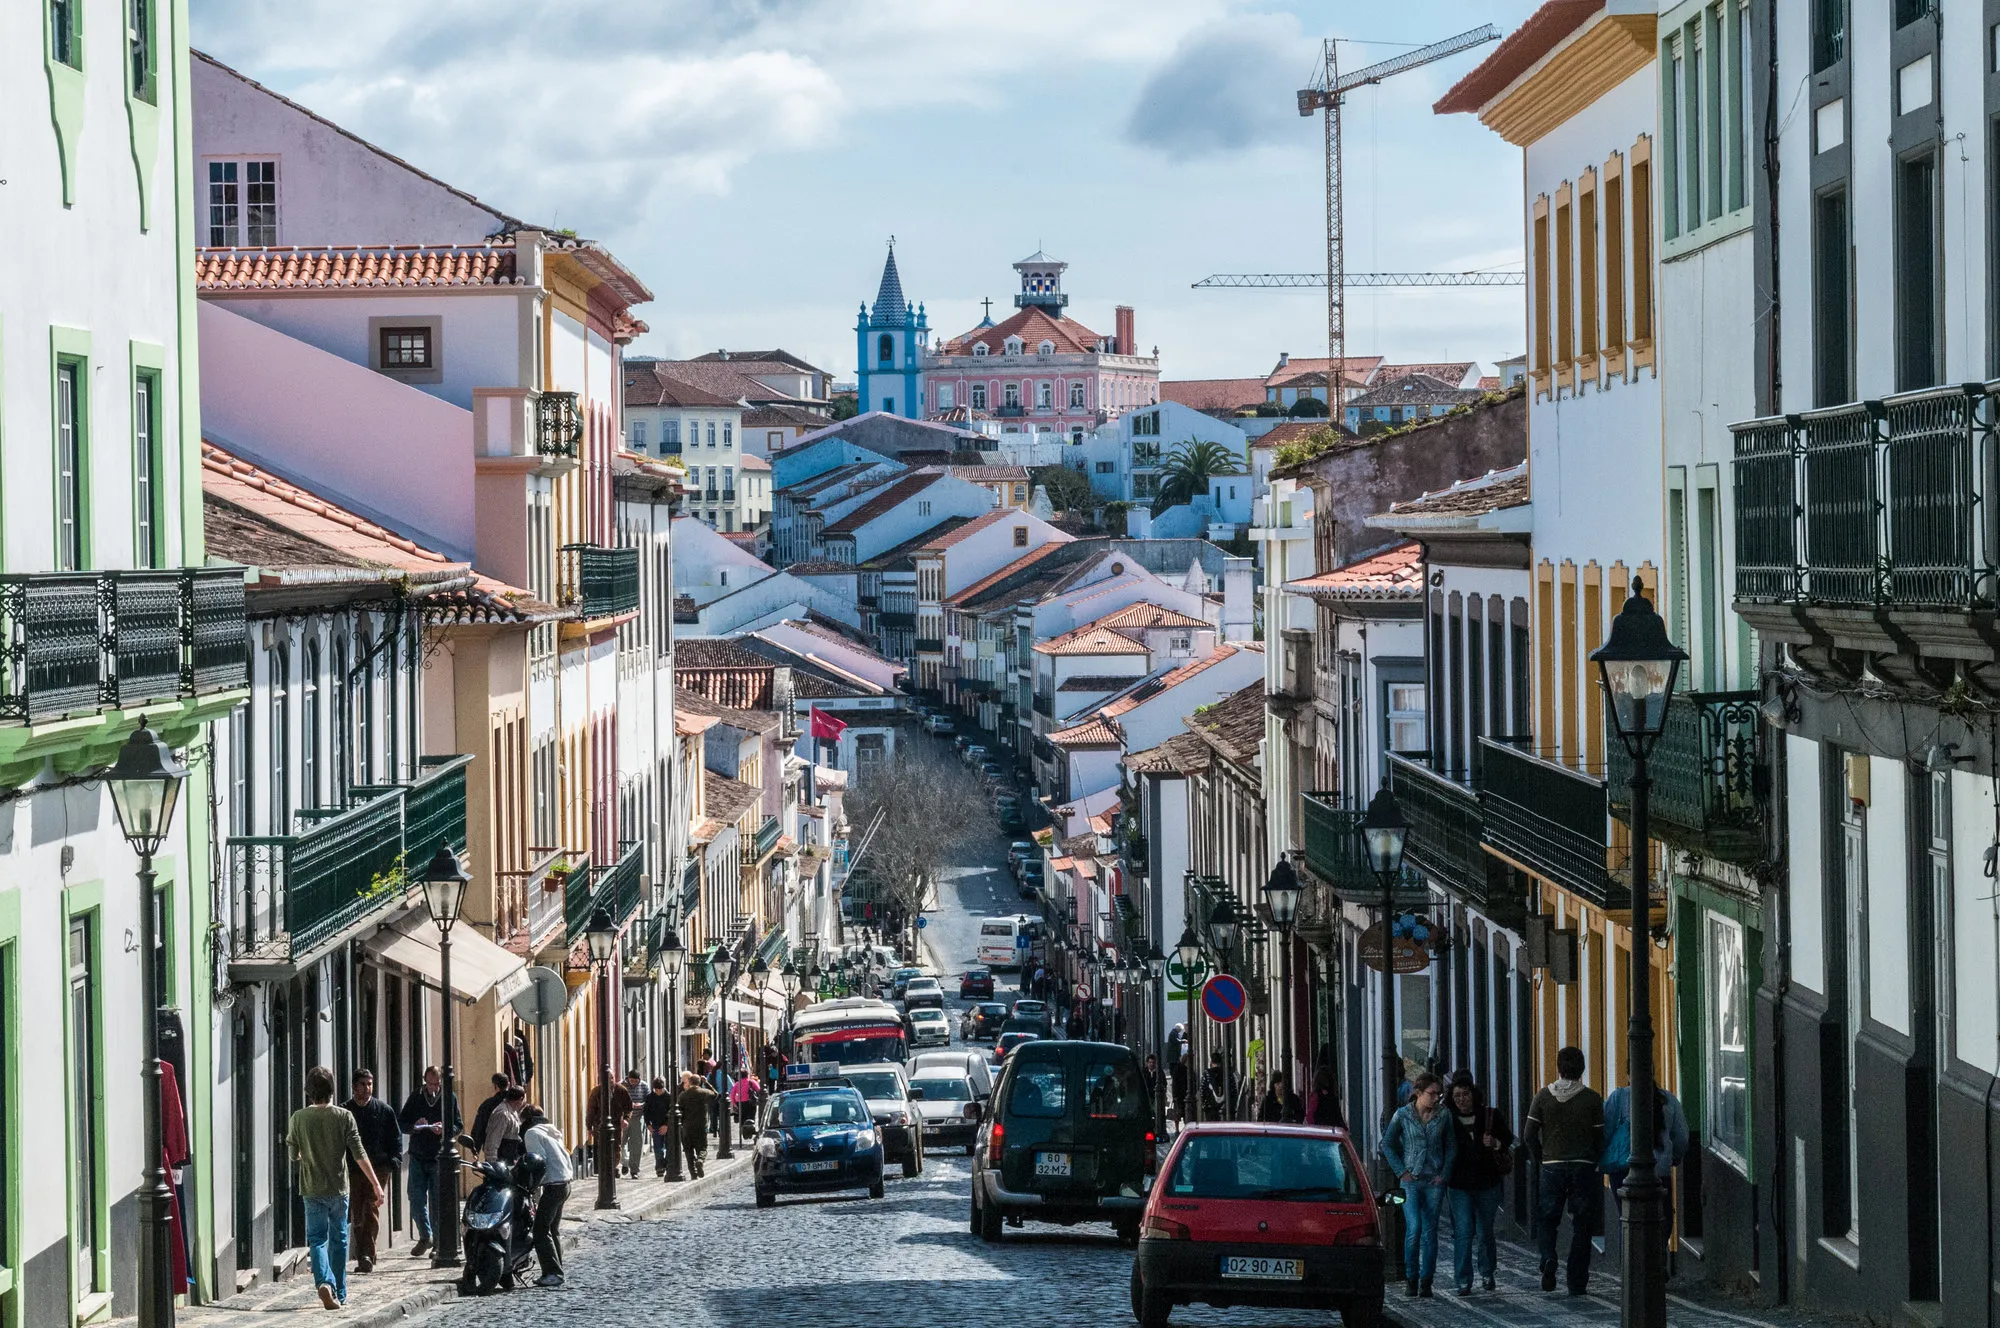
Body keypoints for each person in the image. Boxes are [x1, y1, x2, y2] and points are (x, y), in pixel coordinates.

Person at [287, 1066, 384, 1310]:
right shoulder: (344, 1116)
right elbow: (358, 1152)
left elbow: (293, 1154)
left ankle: (323, 1282)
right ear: (332, 1090)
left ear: (309, 1092)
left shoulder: (298, 1118)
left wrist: (306, 1150)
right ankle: (340, 1292)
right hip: (339, 1189)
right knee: (339, 1239)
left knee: (317, 1239)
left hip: (311, 1189)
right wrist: (375, 1184)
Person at [1524, 1046, 1607, 1296]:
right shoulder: (1592, 1098)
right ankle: (1576, 1280)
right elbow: (1600, 1136)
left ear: (1558, 1067)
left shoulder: (1543, 1097)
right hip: (1582, 1167)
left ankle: (1549, 1257)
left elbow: (1528, 1135)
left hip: (1552, 1167)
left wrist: (1542, 1158)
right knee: (1582, 1224)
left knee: (1548, 1219)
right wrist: (1592, 1159)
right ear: (1582, 1069)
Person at [1381, 1074, 1456, 1298]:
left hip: (1433, 1181)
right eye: (1432, 1094)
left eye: (1439, 1094)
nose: (1436, 1098)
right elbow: (1388, 1144)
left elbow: (1452, 1146)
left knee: (1430, 1232)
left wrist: (1444, 1174)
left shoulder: (1443, 1115)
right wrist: (1401, 1171)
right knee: (1413, 1229)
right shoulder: (1402, 1115)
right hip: (1411, 1181)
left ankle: (1427, 1280)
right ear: (1418, 1092)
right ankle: (1411, 1277)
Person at [1444, 1069, 1514, 1296]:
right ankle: (1463, 1280)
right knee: (1463, 1232)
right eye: (1457, 1096)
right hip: (1458, 1185)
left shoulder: (1490, 1115)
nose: (1461, 1099)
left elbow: (1508, 1139)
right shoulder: (1447, 1119)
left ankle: (1487, 1272)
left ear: (1474, 1094)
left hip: (1487, 1183)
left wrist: (1494, 1142)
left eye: (1465, 1094)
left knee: (1485, 1232)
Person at [1601, 1082, 1690, 1229]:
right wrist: (1673, 1157)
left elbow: (1605, 1132)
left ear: (1629, 1075)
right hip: (1660, 1168)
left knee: (1627, 1221)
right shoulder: (1669, 1099)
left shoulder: (1619, 1097)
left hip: (1622, 1168)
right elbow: (1682, 1137)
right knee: (1662, 1218)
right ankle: (1659, 1249)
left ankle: (1629, 1251)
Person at [341, 1069, 402, 1274]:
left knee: (371, 1208)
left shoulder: (384, 1110)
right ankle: (364, 1253)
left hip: (378, 1167)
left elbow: (395, 1138)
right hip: (353, 1169)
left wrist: (394, 1161)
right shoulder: (345, 1112)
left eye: (370, 1084)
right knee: (357, 1212)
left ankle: (366, 1254)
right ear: (354, 1086)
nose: (367, 1088)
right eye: (363, 1084)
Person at [397, 1066, 457, 1259]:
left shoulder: (449, 1098)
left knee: (437, 1202)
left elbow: (458, 1124)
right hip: (417, 1155)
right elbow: (403, 1123)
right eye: (430, 1083)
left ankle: (438, 1244)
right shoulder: (416, 1097)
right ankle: (425, 1235)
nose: (433, 1087)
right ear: (425, 1081)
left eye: (437, 1083)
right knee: (415, 1199)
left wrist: (445, 1129)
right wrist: (415, 1127)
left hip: (439, 1156)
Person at [519, 1106, 573, 1289]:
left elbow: (537, 1161)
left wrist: (530, 1186)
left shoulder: (532, 1134)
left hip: (553, 1186)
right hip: (565, 1183)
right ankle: (558, 1269)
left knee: (540, 1230)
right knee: (552, 1229)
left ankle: (552, 1273)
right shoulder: (551, 1130)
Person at [586, 1067, 633, 1180]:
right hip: (600, 1125)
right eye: (607, 1078)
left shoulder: (621, 1090)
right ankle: (607, 1168)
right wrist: (589, 1126)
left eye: (612, 1078)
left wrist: (626, 1119)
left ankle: (613, 1166)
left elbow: (629, 1107)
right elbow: (591, 1110)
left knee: (616, 1147)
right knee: (602, 1147)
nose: (610, 1081)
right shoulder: (596, 1092)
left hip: (616, 1124)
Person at [677, 1070, 720, 1177]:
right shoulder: (703, 1092)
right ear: (699, 1082)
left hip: (687, 1126)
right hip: (701, 1125)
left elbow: (679, 1110)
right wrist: (707, 1083)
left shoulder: (683, 1095)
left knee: (688, 1150)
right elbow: (716, 1095)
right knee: (703, 1148)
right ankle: (700, 1160)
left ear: (690, 1082)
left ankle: (693, 1173)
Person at [481, 1084, 527, 1163]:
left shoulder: (513, 1111)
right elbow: (493, 1139)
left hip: (510, 1159)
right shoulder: (502, 1114)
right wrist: (492, 1162)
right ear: (520, 1099)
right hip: (501, 1160)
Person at [468, 1073, 510, 1157]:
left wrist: (476, 1148)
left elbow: (480, 1126)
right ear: (508, 1084)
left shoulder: (488, 1104)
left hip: (493, 1150)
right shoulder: (514, 1102)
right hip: (511, 1149)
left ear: (495, 1086)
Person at [643, 1077, 676, 1177]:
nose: (658, 1091)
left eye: (660, 1089)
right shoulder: (650, 1097)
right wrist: (648, 1124)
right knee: (658, 1148)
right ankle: (659, 1167)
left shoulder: (669, 1097)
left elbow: (672, 1112)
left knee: (670, 1147)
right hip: (655, 1125)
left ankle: (665, 1163)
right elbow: (646, 1112)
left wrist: (666, 1125)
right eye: (656, 1090)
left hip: (668, 1125)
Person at [621, 1070, 650, 1178]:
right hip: (624, 1118)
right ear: (628, 1078)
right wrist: (629, 1105)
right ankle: (625, 1162)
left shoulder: (644, 1086)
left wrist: (641, 1104)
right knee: (620, 1142)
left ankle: (634, 1170)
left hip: (638, 1118)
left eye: (635, 1081)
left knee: (636, 1144)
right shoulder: (622, 1086)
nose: (633, 1083)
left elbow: (648, 1100)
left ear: (639, 1079)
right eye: (631, 1080)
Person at [1200, 1051, 1233, 1121]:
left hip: (1210, 1106)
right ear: (1221, 1062)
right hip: (1225, 1106)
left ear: (1211, 1062)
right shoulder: (1227, 1073)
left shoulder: (1207, 1073)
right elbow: (1233, 1090)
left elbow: (1202, 1090)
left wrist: (1203, 1103)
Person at [1168, 1045, 1191, 1128]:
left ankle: (1181, 1127)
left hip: (1183, 1094)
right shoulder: (1180, 1069)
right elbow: (1175, 1083)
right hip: (1181, 1094)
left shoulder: (1186, 1069)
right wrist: (1175, 1096)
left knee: (1182, 1112)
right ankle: (1178, 1128)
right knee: (1179, 1112)